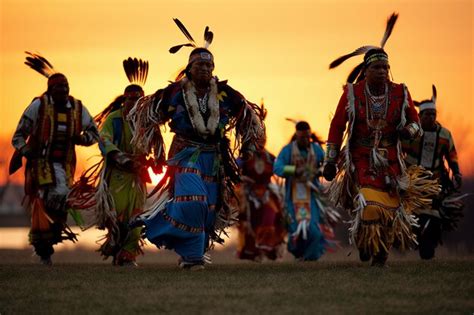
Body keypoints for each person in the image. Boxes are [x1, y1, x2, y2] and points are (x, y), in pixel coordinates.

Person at [128, 19, 265, 270]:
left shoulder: (225, 93)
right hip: (185, 154)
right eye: (200, 64)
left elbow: (249, 118)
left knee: (209, 211)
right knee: (195, 201)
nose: (205, 68)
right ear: (189, 68)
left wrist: (249, 148)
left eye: (209, 64)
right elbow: (146, 117)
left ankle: (192, 257)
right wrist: (156, 150)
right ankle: (159, 226)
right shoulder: (175, 93)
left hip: (214, 158)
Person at [324, 13, 438, 267]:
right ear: (366, 70)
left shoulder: (400, 92)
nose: (383, 71)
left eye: (386, 67)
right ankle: (368, 243)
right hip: (361, 158)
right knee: (369, 204)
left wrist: (409, 131)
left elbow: (415, 123)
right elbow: (336, 125)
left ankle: (379, 250)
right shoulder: (352, 93)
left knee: (391, 210)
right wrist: (330, 160)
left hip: (390, 161)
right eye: (377, 67)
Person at [10, 52, 98, 265]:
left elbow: (94, 133)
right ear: (50, 89)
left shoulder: (77, 108)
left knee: (60, 199)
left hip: (66, 166)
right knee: (45, 198)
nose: (64, 91)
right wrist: (25, 150)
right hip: (40, 164)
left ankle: (47, 243)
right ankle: (43, 249)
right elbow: (18, 135)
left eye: (66, 87)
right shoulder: (38, 106)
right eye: (59, 88)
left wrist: (81, 138)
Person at [91, 58, 152, 266]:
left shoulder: (146, 121)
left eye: (139, 99)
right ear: (124, 100)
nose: (134, 103)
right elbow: (104, 140)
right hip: (117, 175)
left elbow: (154, 145)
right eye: (130, 99)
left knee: (136, 218)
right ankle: (116, 243)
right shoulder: (114, 119)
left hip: (137, 178)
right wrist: (122, 158)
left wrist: (155, 161)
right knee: (117, 216)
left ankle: (127, 255)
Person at [402, 85, 465, 260]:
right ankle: (412, 237)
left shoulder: (445, 134)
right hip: (411, 182)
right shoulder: (411, 133)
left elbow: (452, 156)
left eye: (433, 114)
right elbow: (397, 150)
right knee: (412, 215)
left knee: (433, 217)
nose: (431, 117)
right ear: (419, 116)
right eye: (427, 115)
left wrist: (457, 173)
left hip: (435, 183)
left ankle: (428, 247)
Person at [274, 121, 337, 261]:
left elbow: (327, 166)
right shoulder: (288, 150)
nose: (305, 140)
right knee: (295, 231)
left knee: (314, 230)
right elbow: (277, 167)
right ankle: (299, 254)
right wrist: (294, 170)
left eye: (307, 137)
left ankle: (310, 258)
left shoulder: (316, 149)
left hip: (312, 198)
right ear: (297, 136)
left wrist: (319, 171)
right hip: (293, 198)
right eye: (302, 137)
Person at [235, 135, 286, 262]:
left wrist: (294, 169)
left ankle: (266, 247)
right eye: (257, 138)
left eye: (262, 138)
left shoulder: (270, 157)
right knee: (248, 220)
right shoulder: (245, 157)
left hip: (266, 193)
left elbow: (280, 168)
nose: (260, 141)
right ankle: (253, 251)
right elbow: (234, 167)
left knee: (273, 214)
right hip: (248, 193)